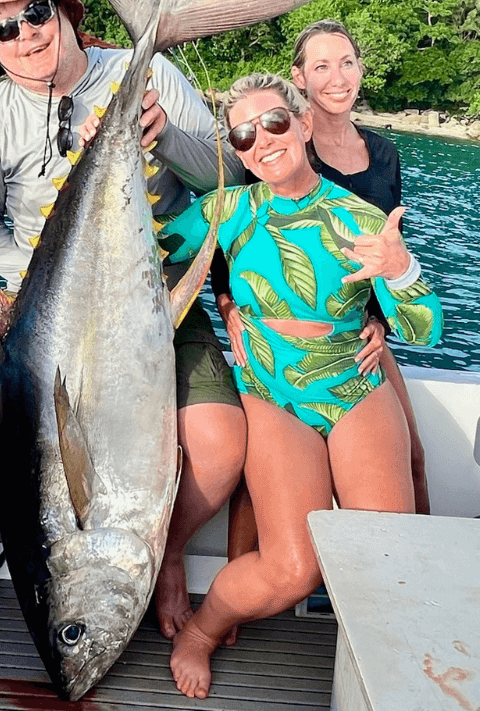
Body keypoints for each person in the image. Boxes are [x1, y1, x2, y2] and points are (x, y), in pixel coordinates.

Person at [0, 0, 247, 648]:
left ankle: (163, 555)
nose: (24, 34)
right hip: (33, 302)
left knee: (221, 446)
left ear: (65, 14)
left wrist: (164, 134)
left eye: (35, 14)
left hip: (152, 291)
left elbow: (219, 181)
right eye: (3, 30)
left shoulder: (150, 75)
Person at [160, 73, 442, 699]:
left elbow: (424, 328)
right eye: (243, 133)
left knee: (387, 559)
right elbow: (144, 249)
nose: (261, 140)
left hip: (353, 385)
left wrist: (398, 272)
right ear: (233, 150)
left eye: (275, 122)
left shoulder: (360, 219)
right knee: (292, 572)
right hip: (271, 395)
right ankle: (202, 633)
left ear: (305, 124)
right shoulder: (223, 212)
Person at [290, 18, 430, 512]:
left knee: (413, 459)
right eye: (322, 66)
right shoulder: (285, 149)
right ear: (299, 77)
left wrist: (381, 324)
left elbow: (388, 254)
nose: (338, 77)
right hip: (299, 335)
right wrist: (226, 305)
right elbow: (242, 234)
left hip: (362, 332)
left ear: (361, 70)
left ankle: (417, 583)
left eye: (347, 63)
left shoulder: (384, 153)